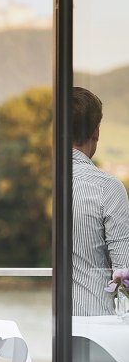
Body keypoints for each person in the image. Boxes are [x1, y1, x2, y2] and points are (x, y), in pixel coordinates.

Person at [71, 87, 129, 315]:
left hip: (44, 326)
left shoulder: (42, 180)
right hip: (95, 320)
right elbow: (124, 271)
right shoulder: (108, 187)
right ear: (96, 131)